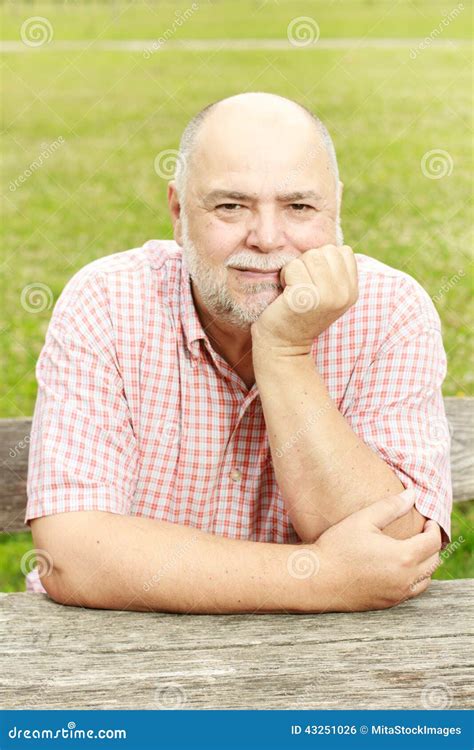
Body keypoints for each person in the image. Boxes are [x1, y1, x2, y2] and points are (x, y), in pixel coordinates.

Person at [26, 92, 451, 613]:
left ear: (335, 209)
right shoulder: (107, 302)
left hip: (333, 661)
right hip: (123, 659)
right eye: (231, 206)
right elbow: (71, 554)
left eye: (299, 206)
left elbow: (397, 546)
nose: (268, 239)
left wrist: (285, 352)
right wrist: (317, 578)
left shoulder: (392, 311)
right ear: (179, 213)